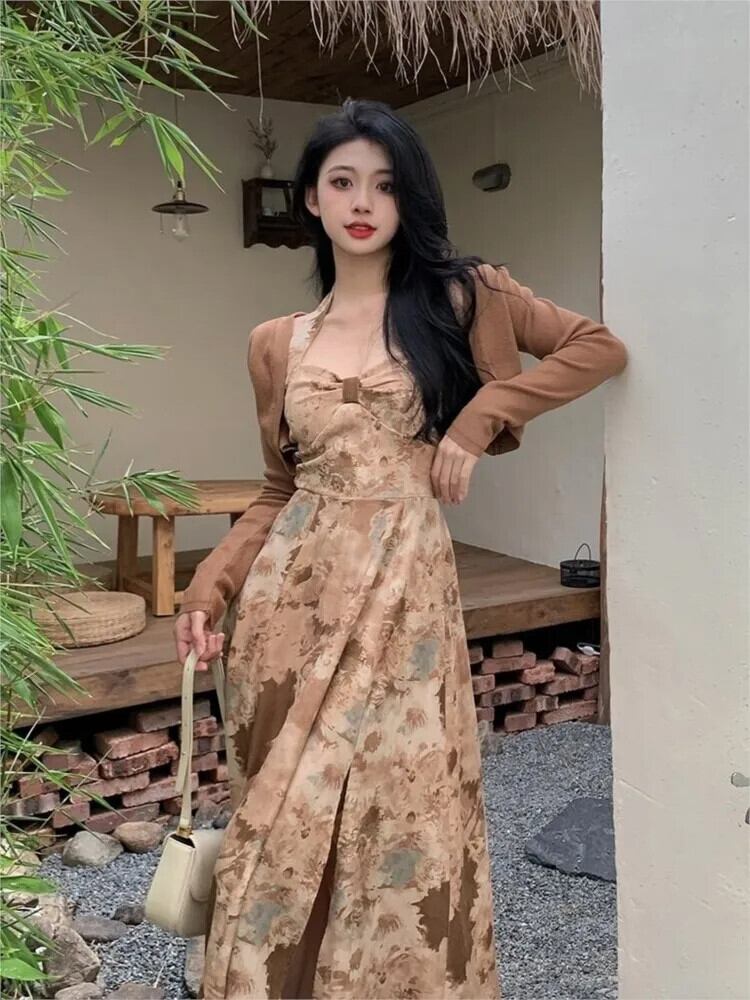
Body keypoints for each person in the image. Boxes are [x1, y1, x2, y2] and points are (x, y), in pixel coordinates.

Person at [173, 98, 628, 1000]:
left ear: (407, 196)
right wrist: (208, 589)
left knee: (405, 807)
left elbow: (597, 347)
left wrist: (480, 418)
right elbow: (277, 489)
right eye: (341, 182)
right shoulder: (276, 344)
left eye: (383, 185)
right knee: (285, 811)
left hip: (405, 601)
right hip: (290, 609)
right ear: (310, 199)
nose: (362, 202)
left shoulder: (464, 297)